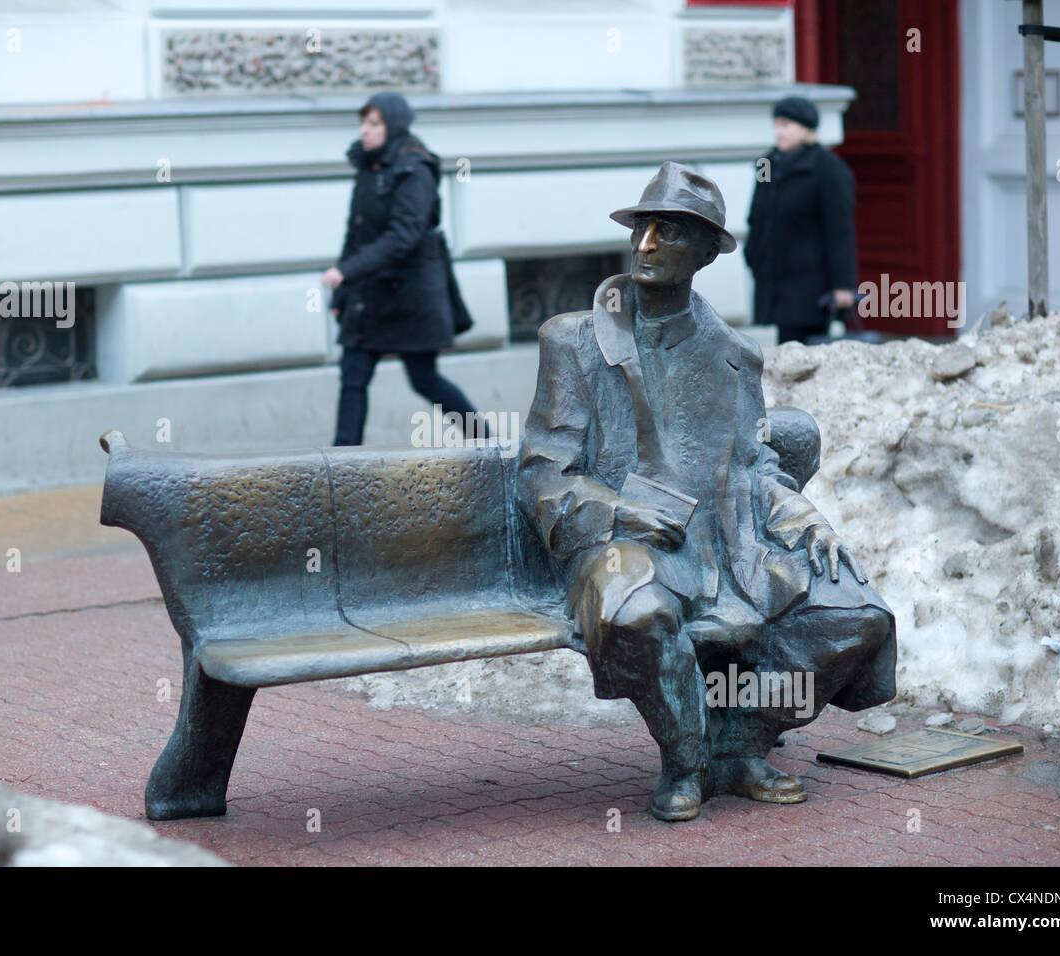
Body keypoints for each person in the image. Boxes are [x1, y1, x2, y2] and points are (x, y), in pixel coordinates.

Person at [517, 163, 896, 822]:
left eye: (666, 233)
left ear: (704, 252)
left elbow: (754, 464)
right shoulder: (575, 341)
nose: (644, 246)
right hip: (619, 542)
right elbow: (543, 471)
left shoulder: (735, 356)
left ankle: (743, 745)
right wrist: (616, 509)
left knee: (856, 618)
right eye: (641, 229)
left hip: (726, 547)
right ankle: (686, 758)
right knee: (637, 615)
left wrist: (805, 518)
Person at [321, 91, 482, 446]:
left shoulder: (415, 168)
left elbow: (403, 236)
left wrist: (348, 271)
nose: (365, 131)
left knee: (424, 378)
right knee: (353, 375)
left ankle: (489, 442)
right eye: (363, 122)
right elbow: (357, 232)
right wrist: (343, 292)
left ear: (393, 125)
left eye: (374, 124)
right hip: (369, 293)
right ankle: (339, 465)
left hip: (411, 293)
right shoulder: (369, 164)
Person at [744, 95, 859, 344]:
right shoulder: (766, 164)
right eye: (776, 125)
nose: (779, 132)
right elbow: (757, 215)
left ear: (806, 129)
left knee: (806, 353)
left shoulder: (829, 168)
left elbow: (839, 230)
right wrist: (753, 256)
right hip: (774, 279)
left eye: (786, 125)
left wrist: (843, 285)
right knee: (785, 347)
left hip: (810, 283)